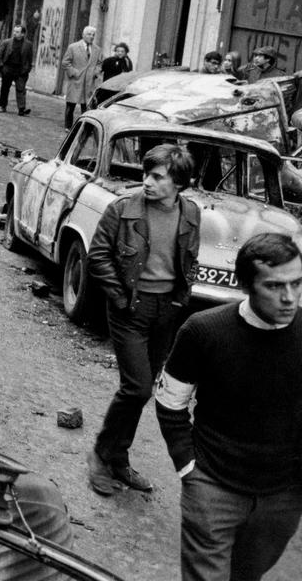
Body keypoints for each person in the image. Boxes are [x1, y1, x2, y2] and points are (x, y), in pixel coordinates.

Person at [155, 232, 302, 581]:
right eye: (274, 286)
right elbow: (169, 401)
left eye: (297, 283)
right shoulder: (204, 331)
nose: (289, 297)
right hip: (213, 488)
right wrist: (189, 468)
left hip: (283, 496)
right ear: (246, 286)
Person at [85, 143, 200, 497]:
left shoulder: (192, 213)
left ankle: (118, 459)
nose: (146, 182)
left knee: (144, 389)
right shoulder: (122, 210)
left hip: (167, 310)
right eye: (146, 174)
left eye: (157, 177)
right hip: (131, 308)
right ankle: (103, 454)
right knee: (136, 386)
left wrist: (182, 298)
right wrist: (121, 300)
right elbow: (98, 257)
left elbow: (190, 258)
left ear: (178, 183)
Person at [61, 26, 102, 129]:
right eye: (89, 34)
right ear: (83, 35)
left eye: (93, 35)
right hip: (76, 81)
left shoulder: (97, 49)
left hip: (89, 82)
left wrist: (95, 72)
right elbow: (65, 62)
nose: (91, 37)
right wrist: (74, 72)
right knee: (71, 105)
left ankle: (86, 127)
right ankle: (68, 126)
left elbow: (100, 63)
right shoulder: (73, 47)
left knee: (87, 106)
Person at [0, 24, 33, 115]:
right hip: (8, 68)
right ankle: (2, 106)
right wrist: (2, 67)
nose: (15, 33)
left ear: (23, 34)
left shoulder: (28, 45)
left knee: (21, 89)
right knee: (5, 88)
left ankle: (21, 109)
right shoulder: (6, 42)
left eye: (17, 32)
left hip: (20, 70)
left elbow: (29, 59)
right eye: (14, 31)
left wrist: (26, 70)